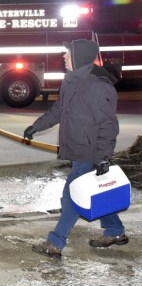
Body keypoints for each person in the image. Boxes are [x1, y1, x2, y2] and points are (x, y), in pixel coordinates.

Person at [24, 39, 127, 259]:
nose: (64, 57)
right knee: (93, 192)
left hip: (89, 151)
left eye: (68, 53)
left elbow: (108, 125)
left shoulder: (98, 86)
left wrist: (103, 157)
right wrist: (36, 126)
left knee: (72, 195)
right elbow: (59, 110)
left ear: (78, 56)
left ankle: (55, 242)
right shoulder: (71, 81)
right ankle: (115, 231)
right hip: (77, 147)